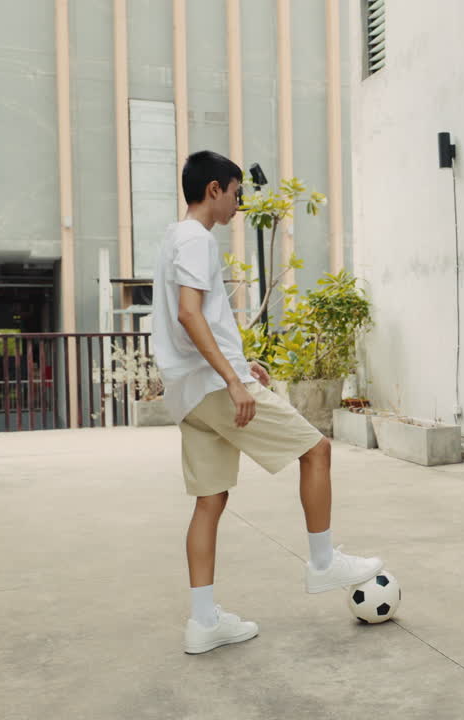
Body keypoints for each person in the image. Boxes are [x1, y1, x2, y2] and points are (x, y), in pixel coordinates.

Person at [151, 150, 382, 655]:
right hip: (214, 387)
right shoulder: (195, 239)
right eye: (236, 192)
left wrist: (241, 358)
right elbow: (191, 315)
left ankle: (204, 622)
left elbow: (196, 318)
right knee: (316, 449)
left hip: (189, 392)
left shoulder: (174, 238)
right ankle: (323, 562)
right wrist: (233, 380)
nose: (239, 203)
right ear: (214, 189)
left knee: (210, 501)